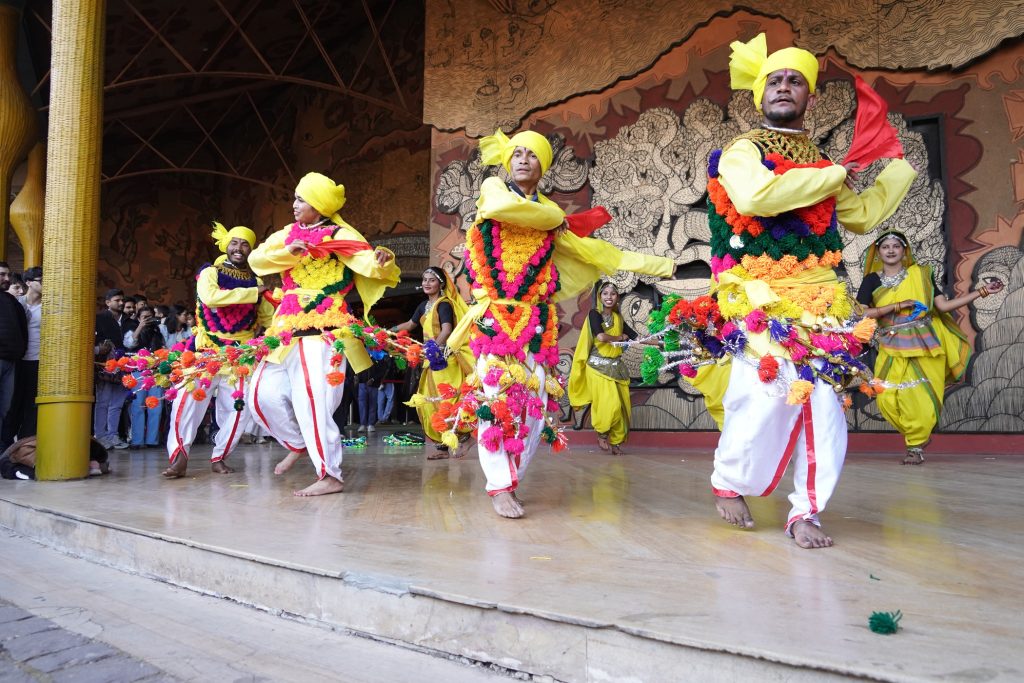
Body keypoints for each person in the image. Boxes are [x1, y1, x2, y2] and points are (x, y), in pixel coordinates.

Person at [703, 33, 917, 548]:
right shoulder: (742, 151)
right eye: (774, 80)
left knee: (824, 402)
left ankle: (807, 511)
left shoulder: (820, 160)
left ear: (810, 97)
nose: (783, 87)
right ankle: (730, 480)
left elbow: (859, 215)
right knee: (763, 396)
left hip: (821, 299)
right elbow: (755, 197)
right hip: (759, 295)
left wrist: (898, 168)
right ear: (760, 95)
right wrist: (835, 172)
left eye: (794, 81)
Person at [442, 129, 674, 519]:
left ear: (543, 166)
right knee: (496, 397)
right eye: (516, 153)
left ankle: (511, 479)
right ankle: (499, 485)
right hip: (495, 319)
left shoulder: (552, 220)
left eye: (532, 155)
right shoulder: (494, 191)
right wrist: (554, 218)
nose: (522, 159)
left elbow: (598, 252)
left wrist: (660, 266)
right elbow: (509, 209)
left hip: (535, 322)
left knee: (535, 403)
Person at [248, 172, 399, 496]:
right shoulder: (287, 233)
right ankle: (298, 442)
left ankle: (330, 474)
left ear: (318, 205)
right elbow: (256, 259)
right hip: (286, 327)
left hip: (325, 329)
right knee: (260, 394)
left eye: (301, 199)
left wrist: (382, 261)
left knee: (314, 402)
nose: (294, 204)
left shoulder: (340, 235)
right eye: (295, 197)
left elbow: (368, 262)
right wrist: (290, 252)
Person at [857, 231, 1002, 464]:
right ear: (878, 252)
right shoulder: (872, 280)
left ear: (905, 251)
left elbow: (943, 306)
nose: (891, 250)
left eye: (896, 246)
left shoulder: (921, 275)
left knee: (920, 397)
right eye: (885, 247)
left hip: (925, 344)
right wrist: (896, 306)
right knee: (886, 398)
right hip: (891, 344)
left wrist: (981, 292)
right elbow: (862, 313)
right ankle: (916, 437)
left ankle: (915, 447)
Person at [163, 223, 274, 478]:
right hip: (206, 349)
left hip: (240, 355)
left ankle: (220, 455)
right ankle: (179, 456)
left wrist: (282, 330)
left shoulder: (256, 282)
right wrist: (253, 293)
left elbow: (268, 318)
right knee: (186, 400)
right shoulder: (209, 273)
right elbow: (211, 297)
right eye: (234, 242)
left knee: (239, 408)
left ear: (251, 249)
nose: (239, 248)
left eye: (245, 244)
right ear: (226, 246)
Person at [392, 267, 473, 458]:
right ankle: (442, 447)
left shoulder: (444, 304)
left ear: (441, 284)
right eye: (424, 280)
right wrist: (388, 331)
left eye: (431, 280)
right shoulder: (423, 305)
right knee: (430, 402)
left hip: (445, 360)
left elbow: (446, 330)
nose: (426, 283)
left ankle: (465, 438)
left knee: (447, 400)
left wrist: (433, 348)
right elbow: (410, 325)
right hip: (431, 360)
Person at [568, 281, 651, 455]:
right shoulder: (594, 314)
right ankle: (602, 433)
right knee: (610, 405)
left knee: (622, 407)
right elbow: (601, 337)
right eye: (605, 293)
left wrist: (662, 342)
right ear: (600, 297)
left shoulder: (618, 318)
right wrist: (620, 337)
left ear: (617, 297)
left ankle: (616, 442)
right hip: (597, 368)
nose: (609, 297)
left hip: (616, 369)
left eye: (612, 294)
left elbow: (637, 338)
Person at [2, 267, 42, 449]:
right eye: (40, 280)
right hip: (17, 358)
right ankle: (6, 442)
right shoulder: (16, 302)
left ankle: (25, 443)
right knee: (12, 402)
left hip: (37, 359)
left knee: (32, 402)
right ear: (29, 283)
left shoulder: (48, 306)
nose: (45, 284)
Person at [123, 305, 166, 449]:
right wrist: (140, 326)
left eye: (150, 317)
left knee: (155, 406)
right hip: (138, 371)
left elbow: (164, 348)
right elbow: (129, 344)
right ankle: (137, 440)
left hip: (155, 372)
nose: (147, 320)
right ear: (138, 318)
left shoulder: (158, 331)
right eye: (144, 317)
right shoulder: (133, 330)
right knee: (137, 406)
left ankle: (152, 440)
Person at [94, 289, 130, 449]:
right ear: (108, 302)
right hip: (106, 365)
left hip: (125, 364)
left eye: (122, 300)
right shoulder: (100, 318)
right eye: (117, 300)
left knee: (117, 402)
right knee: (103, 401)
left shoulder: (128, 320)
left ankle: (113, 435)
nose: (121, 303)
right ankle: (100, 435)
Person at [0, 262, 27, 451]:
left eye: (8, 275)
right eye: (2, 274)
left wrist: (20, 351)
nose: (7, 279)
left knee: (6, 408)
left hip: (12, 360)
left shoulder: (11, 301)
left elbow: (22, 328)